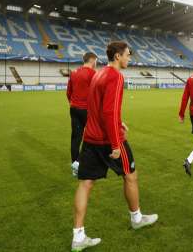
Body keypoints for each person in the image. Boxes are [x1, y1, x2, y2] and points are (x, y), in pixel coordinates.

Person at [71, 42, 158, 252]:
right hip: (108, 140)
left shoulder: (98, 74)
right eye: (128, 55)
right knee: (130, 175)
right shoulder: (116, 77)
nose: (130, 58)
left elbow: (98, 108)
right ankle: (136, 218)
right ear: (118, 56)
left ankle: (78, 237)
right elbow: (108, 112)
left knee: (85, 184)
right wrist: (115, 143)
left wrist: (119, 122)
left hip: (90, 138)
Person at [66, 52, 98, 176]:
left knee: (75, 138)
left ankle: (75, 165)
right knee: (92, 136)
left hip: (74, 109)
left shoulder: (74, 73)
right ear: (92, 60)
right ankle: (82, 162)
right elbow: (97, 94)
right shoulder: (93, 74)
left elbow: (68, 92)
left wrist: (73, 103)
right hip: (86, 110)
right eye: (96, 61)